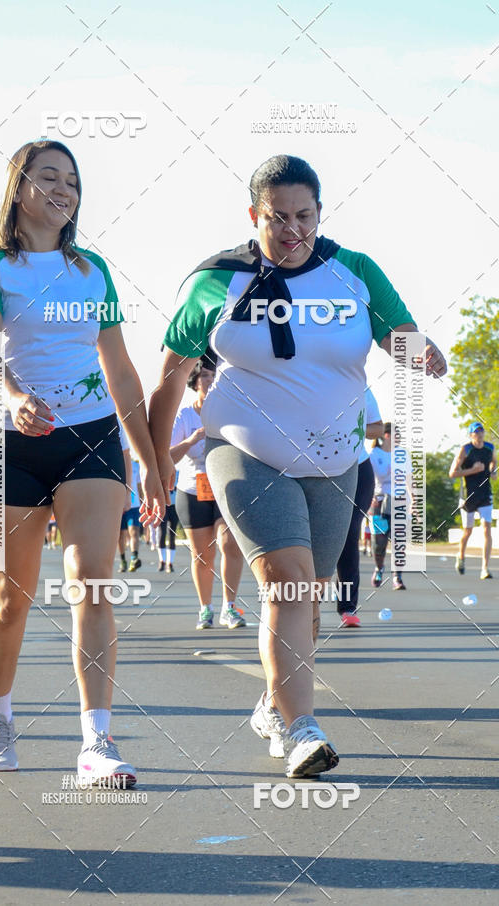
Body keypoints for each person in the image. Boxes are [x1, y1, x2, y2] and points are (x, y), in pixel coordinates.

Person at [149, 154, 446, 776]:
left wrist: (424, 354)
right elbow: (168, 385)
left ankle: (274, 701)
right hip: (243, 448)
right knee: (287, 579)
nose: (293, 230)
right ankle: (302, 729)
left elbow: (400, 335)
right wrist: (153, 467)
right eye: (278, 217)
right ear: (253, 215)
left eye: (304, 216)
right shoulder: (216, 281)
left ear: (320, 212)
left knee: (308, 599)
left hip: (337, 457)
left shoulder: (354, 272)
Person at [0, 139, 163, 784]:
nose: (64, 189)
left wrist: (151, 463)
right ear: (18, 187)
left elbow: (121, 369)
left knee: (93, 581)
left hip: (91, 434)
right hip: (10, 442)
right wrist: (15, 395)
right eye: (49, 176)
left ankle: (96, 744)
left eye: (72, 181)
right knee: (11, 597)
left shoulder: (92, 269)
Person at [170, 356, 246, 630]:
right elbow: (168, 457)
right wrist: (191, 440)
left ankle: (230, 607)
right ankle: (206, 608)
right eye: (204, 376)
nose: (210, 379)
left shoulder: (227, 412)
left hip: (226, 486)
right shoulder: (185, 416)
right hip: (192, 489)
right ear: (194, 381)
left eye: (214, 376)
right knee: (203, 555)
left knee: (229, 544)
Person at [335, 388, 384, 626]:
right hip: (315, 470)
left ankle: (348, 607)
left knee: (350, 533)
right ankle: (303, 603)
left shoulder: (361, 387)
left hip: (358, 469)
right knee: (313, 538)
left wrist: (349, 428)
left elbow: (378, 428)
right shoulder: (310, 376)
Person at [449, 422, 496, 579]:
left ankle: (485, 568)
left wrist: (492, 471)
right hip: (468, 496)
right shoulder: (466, 450)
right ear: (471, 435)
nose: (479, 434)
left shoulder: (490, 447)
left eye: (481, 431)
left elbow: (493, 461)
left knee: (486, 529)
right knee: (468, 531)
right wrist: (472, 470)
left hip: (485, 494)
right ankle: (461, 556)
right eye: (476, 432)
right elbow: (452, 473)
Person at [369, 423, 410, 591]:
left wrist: (414, 500)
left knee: (399, 541)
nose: (398, 437)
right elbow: (372, 478)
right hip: (379, 502)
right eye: (396, 434)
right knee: (379, 542)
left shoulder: (403, 454)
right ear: (386, 435)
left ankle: (397, 577)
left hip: (400, 501)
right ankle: (379, 568)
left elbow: (409, 478)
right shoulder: (374, 454)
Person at [157, 471, 179, 573]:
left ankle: (170, 563)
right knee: (162, 533)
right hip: (164, 505)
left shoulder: (179, 472)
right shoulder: (162, 470)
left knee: (172, 535)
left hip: (175, 507)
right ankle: (162, 561)